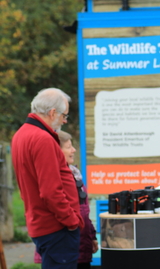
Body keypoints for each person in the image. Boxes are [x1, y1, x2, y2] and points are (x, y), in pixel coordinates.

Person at [12, 88, 85, 268]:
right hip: (56, 227)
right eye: (64, 116)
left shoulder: (21, 134)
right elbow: (51, 191)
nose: (64, 121)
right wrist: (71, 221)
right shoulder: (42, 139)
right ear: (52, 113)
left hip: (42, 223)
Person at [35, 131, 99, 268]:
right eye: (69, 147)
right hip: (65, 245)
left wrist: (92, 236)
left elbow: (83, 210)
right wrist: (73, 224)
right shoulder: (54, 177)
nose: (74, 150)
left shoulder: (75, 175)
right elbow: (55, 204)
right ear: (56, 151)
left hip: (82, 245)